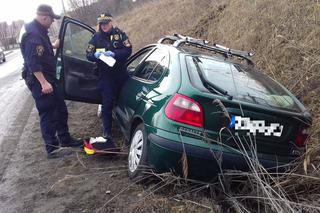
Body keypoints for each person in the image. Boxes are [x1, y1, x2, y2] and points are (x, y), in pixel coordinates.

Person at [20, 4, 83, 159]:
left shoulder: (39, 30)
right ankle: (52, 149)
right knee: (48, 114)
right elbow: (32, 62)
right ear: (44, 17)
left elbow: (43, 49)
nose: (52, 22)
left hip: (50, 79)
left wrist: (54, 45)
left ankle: (65, 139)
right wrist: (43, 83)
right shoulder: (33, 34)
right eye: (51, 20)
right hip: (41, 82)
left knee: (61, 109)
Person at [86, 13, 132, 147]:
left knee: (124, 99)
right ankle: (107, 132)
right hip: (105, 76)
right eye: (102, 23)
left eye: (106, 23)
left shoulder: (120, 34)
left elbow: (128, 50)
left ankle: (126, 125)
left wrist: (115, 54)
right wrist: (95, 55)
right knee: (106, 104)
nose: (104, 25)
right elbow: (88, 54)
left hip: (120, 74)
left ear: (111, 22)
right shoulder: (95, 37)